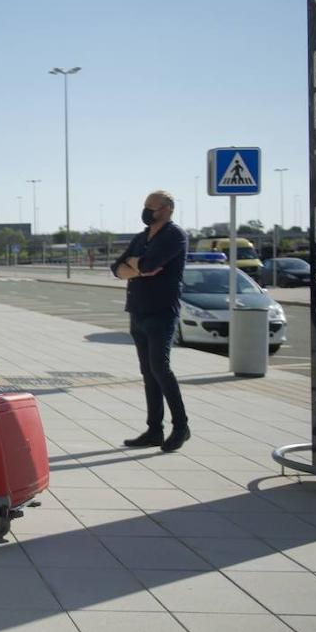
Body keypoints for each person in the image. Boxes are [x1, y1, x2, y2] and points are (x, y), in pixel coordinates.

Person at [111, 191, 191, 452]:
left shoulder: (174, 236)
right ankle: (154, 430)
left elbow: (147, 266)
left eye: (152, 207)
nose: (146, 211)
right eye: (145, 206)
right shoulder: (141, 237)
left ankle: (181, 426)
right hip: (138, 311)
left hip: (161, 312)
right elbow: (116, 268)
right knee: (148, 372)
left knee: (161, 368)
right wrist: (137, 265)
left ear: (167, 209)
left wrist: (137, 266)